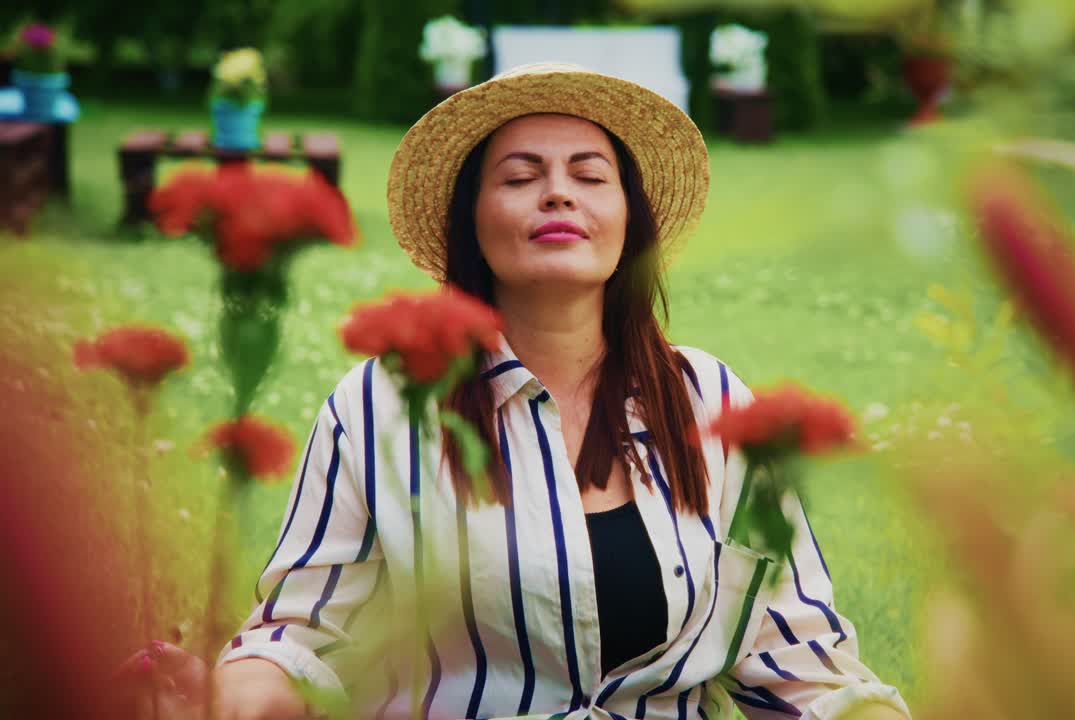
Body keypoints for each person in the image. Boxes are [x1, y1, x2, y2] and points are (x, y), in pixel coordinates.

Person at [129, 62, 910, 720]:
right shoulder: (381, 408)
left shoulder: (713, 402)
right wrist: (230, 694)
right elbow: (302, 635)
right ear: (473, 223)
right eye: (521, 176)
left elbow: (800, 658)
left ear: (627, 221)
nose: (559, 194)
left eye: (589, 175)